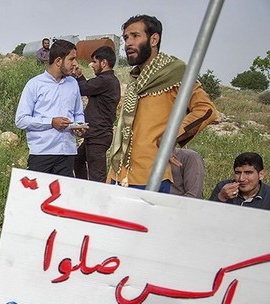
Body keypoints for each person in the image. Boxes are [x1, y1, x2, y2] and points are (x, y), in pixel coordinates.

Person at [108, 15, 217, 192]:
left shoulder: (175, 73)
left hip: (151, 176)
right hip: (117, 173)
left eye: (135, 36)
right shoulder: (136, 79)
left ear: (154, 39)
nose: (128, 43)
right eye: (126, 38)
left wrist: (169, 138)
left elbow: (207, 110)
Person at [15, 40, 86, 177]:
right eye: (71, 59)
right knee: (37, 197)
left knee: (63, 197)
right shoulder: (34, 85)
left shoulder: (73, 84)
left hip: (67, 153)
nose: (75, 64)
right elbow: (21, 120)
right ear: (58, 61)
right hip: (42, 153)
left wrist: (80, 126)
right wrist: (51, 122)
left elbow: (78, 113)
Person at [73, 46, 121, 183]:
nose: (92, 65)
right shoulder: (108, 81)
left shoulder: (105, 80)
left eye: (94, 62)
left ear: (104, 63)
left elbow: (82, 88)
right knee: (77, 160)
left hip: (98, 136)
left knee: (97, 177)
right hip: (95, 134)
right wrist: (79, 75)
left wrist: (74, 76)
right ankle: (84, 188)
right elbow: (89, 89)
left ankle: (97, 200)